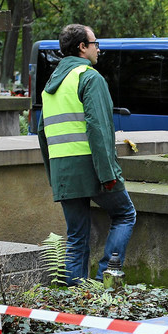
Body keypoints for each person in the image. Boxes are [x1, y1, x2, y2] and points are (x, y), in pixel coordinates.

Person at [37, 24, 136, 285]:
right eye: (95, 43)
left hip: (64, 171)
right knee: (125, 214)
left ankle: (75, 299)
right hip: (92, 167)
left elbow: (42, 132)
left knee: (76, 237)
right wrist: (108, 174)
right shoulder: (89, 77)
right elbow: (98, 128)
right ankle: (106, 279)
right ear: (82, 47)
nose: (98, 48)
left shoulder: (50, 85)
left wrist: (53, 175)